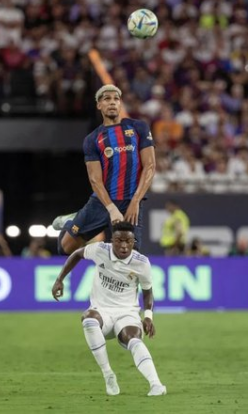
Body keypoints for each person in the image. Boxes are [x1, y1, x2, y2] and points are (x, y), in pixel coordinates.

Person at [51, 222, 166, 397]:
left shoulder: (141, 263)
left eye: (128, 241)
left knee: (134, 340)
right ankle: (108, 375)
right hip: (102, 312)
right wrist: (60, 279)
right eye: (119, 240)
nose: (124, 245)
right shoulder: (100, 250)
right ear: (112, 240)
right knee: (88, 319)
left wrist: (148, 316)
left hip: (127, 313)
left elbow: (148, 292)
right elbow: (76, 254)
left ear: (134, 241)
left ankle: (156, 385)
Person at [52, 84, 156, 255]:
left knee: (129, 255)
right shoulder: (92, 139)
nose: (113, 102)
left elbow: (150, 166)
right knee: (64, 248)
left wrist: (136, 201)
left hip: (130, 202)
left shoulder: (138, 128)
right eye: (107, 99)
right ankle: (72, 220)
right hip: (101, 203)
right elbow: (95, 180)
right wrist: (111, 208)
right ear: (99, 105)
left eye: (116, 99)